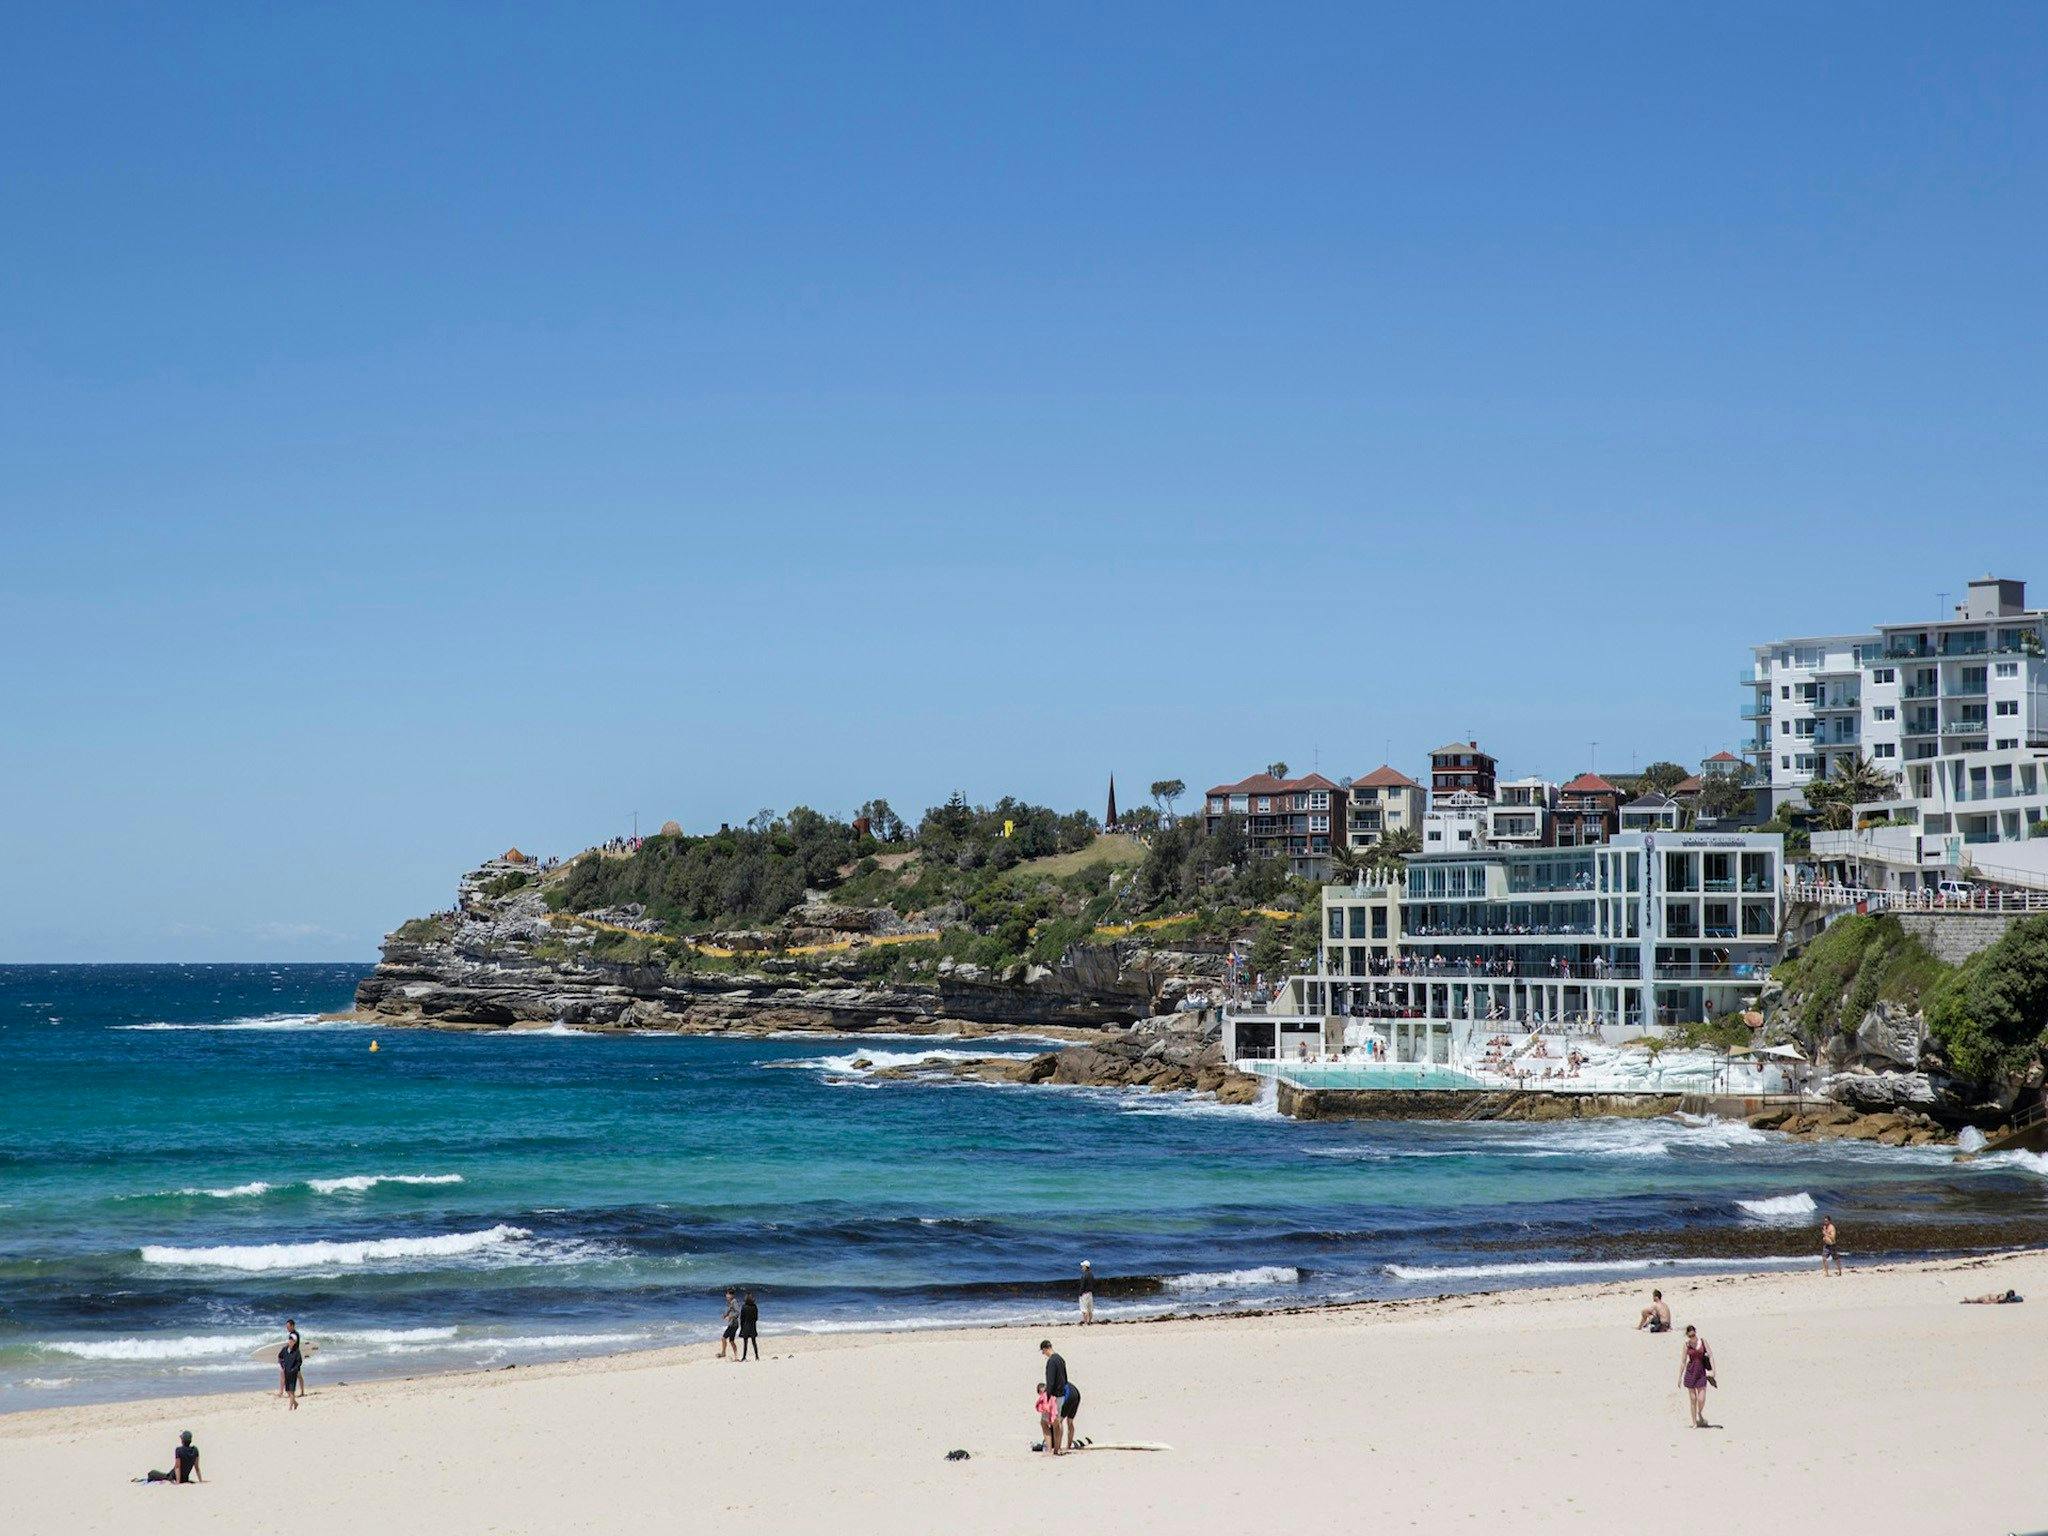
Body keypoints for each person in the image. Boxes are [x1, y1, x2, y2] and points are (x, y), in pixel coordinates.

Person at [1039, 1339, 1079, 1454]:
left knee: (1044, 1422)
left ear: (1046, 1348)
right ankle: (1057, 1449)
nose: (1043, 1354)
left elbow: (1050, 1381)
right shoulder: (1061, 1359)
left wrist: (1047, 1397)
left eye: (1043, 1352)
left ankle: (1049, 1449)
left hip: (1054, 1396)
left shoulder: (1051, 1361)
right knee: (1058, 1422)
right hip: (1061, 1395)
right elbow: (1065, 1378)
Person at [1679, 1325, 1716, 1428]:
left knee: (1701, 1399)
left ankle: (1699, 1413)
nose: (1692, 1337)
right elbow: (1683, 1362)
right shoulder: (1686, 1345)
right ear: (1687, 1336)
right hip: (1690, 1372)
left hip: (1701, 1372)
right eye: (1690, 1336)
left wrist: (1713, 1371)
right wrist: (1679, 1376)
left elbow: (1711, 1355)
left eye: (1693, 1335)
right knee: (1693, 1399)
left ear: (1696, 1332)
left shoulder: (1703, 1342)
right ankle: (1694, 1422)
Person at [277, 1332, 302, 1410]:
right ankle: (295, 1403)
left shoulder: (297, 1351)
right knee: (287, 1390)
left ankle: (290, 1408)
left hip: (293, 1373)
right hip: (286, 1372)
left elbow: (299, 1362)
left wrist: (294, 1369)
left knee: (291, 1391)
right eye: (290, 1339)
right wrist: (282, 1365)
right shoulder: (284, 1349)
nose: (290, 1341)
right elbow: (279, 1357)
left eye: (292, 1340)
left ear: (295, 1342)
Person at [285, 1318, 305, 1399]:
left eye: (288, 1327)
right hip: (296, 1356)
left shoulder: (293, 1335)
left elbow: (291, 1344)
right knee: (297, 1375)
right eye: (286, 1327)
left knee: (295, 1375)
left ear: (292, 1326)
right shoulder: (296, 1333)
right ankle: (301, 1392)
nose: (287, 1328)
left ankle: (293, 1393)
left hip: (295, 1357)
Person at [717, 1290, 739, 1360]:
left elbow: (738, 1312)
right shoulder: (731, 1302)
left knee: (723, 1338)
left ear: (732, 1295)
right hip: (733, 1324)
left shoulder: (734, 1302)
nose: (727, 1296)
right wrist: (725, 1315)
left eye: (728, 1295)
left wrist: (730, 1317)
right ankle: (736, 1356)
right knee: (731, 1341)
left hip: (733, 1324)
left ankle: (723, 1353)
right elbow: (729, 1310)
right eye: (726, 1295)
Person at [738, 1290, 759, 1361]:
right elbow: (756, 1318)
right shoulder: (754, 1307)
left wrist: (741, 1327)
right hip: (752, 1326)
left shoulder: (744, 1307)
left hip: (745, 1326)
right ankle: (757, 1356)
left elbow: (741, 1319)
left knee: (745, 1343)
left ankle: (744, 1357)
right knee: (754, 1342)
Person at [1078, 1261, 1095, 1326]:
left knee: (1084, 1309)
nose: (1082, 1267)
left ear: (1085, 1267)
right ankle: (1089, 1321)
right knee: (1090, 1309)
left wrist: (1080, 1293)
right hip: (1090, 1293)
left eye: (1082, 1266)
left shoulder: (1084, 1275)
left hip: (1084, 1293)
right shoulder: (1091, 1274)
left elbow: (1082, 1286)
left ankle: (1085, 1321)